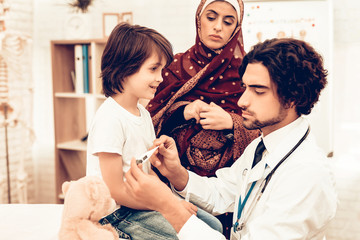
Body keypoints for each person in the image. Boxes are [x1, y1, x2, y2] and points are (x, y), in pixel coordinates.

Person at [124, 38, 338, 239]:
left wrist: (167, 205)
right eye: (245, 88)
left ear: (293, 97)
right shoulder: (260, 146)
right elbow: (222, 193)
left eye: (259, 91)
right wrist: (177, 174)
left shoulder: (307, 174)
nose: (242, 101)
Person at [86, 22, 221, 239]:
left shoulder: (143, 114)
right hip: (115, 213)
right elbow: (114, 190)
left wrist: (172, 201)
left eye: (161, 70)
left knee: (213, 226)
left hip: (140, 203)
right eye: (153, 69)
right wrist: (164, 206)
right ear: (124, 68)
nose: (160, 77)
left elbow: (146, 171)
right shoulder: (110, 118)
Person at [147, 0, 259, 235]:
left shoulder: (247, 73)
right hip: (171, 182)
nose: (218, 27)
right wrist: (182, 111)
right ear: (199, 20)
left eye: (228, 22)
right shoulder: (174, 67)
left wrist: (232, 122)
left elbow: (263, 134)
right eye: (211, 17)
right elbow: (150, 123)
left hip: (226, 191)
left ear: (236, 29)